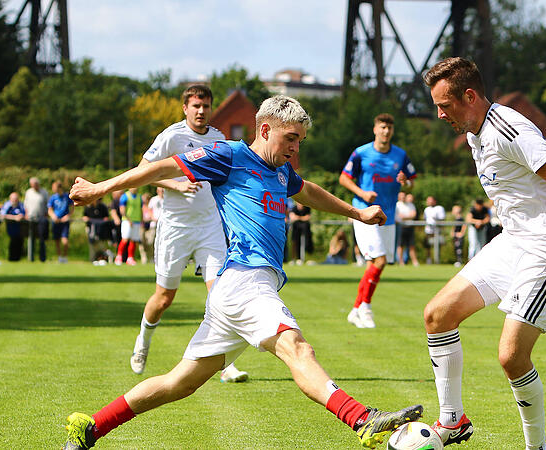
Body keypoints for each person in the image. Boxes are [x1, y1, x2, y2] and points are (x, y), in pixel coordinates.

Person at [63, 95, 422, 450]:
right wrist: (100, 188)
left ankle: (92, 427)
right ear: (265, 130)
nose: (295, 149)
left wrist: (358, 213)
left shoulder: (281, 169)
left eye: (300, 140)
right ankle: (363, 420)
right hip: (245, 282)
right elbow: (161, 168)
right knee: (298, 348)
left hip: (234, 289)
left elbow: (308, 191)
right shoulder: (229, 155)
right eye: (291, 139)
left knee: (180, 382)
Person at [422, 57, 546, 449]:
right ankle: (452, 421)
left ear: (469, 96)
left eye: (444, 105)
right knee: (437, 315)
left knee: (511, 357)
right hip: (512, 241)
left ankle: (538, 447)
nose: (439, 114)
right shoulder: (473, 133)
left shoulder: (507, 127)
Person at [130, 85, 246, 384]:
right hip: (175, 228)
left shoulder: (219, 139)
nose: (201, 111)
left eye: (206, 105)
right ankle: (143, 342)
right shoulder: (172, 136)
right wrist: (176, 184)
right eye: (195, 105)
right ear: (185, 108)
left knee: (220, 295)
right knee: (164, 298)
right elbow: (143, 170)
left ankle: (225, 364)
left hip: (209, 228)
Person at [340, 113, 416, 329]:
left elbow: (411, 183)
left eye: (389, 128)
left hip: (388, 216)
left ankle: (355, 309)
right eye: (382, 127)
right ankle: (366, 308)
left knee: (376, 265)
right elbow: (344, 178)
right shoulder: (361, 153)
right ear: (375, 129)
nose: (386, 131)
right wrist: (362, 194)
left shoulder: (400, 155)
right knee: (379, 260)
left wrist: (406, 184)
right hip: (365, 213)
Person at [24, 177, 49, 262]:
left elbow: (47, 206)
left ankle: (42, 258)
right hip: (31, 218)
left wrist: (46, 215)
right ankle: (31, 258)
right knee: (31, 238)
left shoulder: (44, 192)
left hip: (41, 218)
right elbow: (26, 205)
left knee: (42, 239)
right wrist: (26, 214)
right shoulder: (28, 192)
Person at [48, 180, 73, 263]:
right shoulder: (53, 198)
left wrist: (68, 216)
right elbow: (50, 209)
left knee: (65, 240)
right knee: (57, 240)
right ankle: (60, 257)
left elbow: (72, 208)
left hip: (64, 222)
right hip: (56, 221)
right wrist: (53, 217)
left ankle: (65, 256)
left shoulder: (67, 197)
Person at [116, 188, 142, 266]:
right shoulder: (125, 196)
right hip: (127, 221)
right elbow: (122, 209)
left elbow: (140, 209)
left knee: (133, 240)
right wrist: (128, 219)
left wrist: (142, 219)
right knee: (125, 239)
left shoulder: (139, 197)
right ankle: (119, 257)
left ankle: (130, 258)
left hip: (136, 221)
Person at [82, 198, 111, 264]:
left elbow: (106, 218)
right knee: (92, 244)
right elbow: (84, 217)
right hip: (90, 228)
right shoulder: (88, 207)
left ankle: (102, 258)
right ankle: (92, 259)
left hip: (101, 230)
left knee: (101, 245)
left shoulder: (103, 207)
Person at [1, 192, 26, 261]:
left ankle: (18, 259)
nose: (15, 200)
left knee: (19, 243)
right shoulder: (7, 205)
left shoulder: (20, 205)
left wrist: (21, 216)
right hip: (11, 228)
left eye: (16, 199)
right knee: (13, 242)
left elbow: (24, 213)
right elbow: (2, 215)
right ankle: (11, 258)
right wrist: (14, 217)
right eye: (14, 199)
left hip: (20, 228)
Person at [396, 192, 419, 266]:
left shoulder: (410, 204)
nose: (403, 197)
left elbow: (413, 215)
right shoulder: (397, 205)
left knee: (411, 245)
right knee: (400, 245)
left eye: (404, 196)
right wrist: (408, 216)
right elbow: (398, 217)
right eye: (401, 196)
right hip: (401, 227)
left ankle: (415, 262)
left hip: (410, 227)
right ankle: (401, 262)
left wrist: (404, 217)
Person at [423, 196, 445, 264]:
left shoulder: (440, 208)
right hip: (428, 231)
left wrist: (435, 219)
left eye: (431, 200)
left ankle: (437, 260)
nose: (429, 202)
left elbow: (442, 218)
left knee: (438, 245)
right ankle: (428, 260)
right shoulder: (426, 209)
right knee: (428, 246)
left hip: (437, 231)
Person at [289, 200, 313, 264]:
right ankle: (295, 258)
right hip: (296, 228)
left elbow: (308, 218)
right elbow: (292, 217)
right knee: (295, 242)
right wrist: (302, 218)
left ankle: (306, 257)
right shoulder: (294, 208)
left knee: (307, 241)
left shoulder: (307, 208)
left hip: (305, 229)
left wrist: (298, 217)